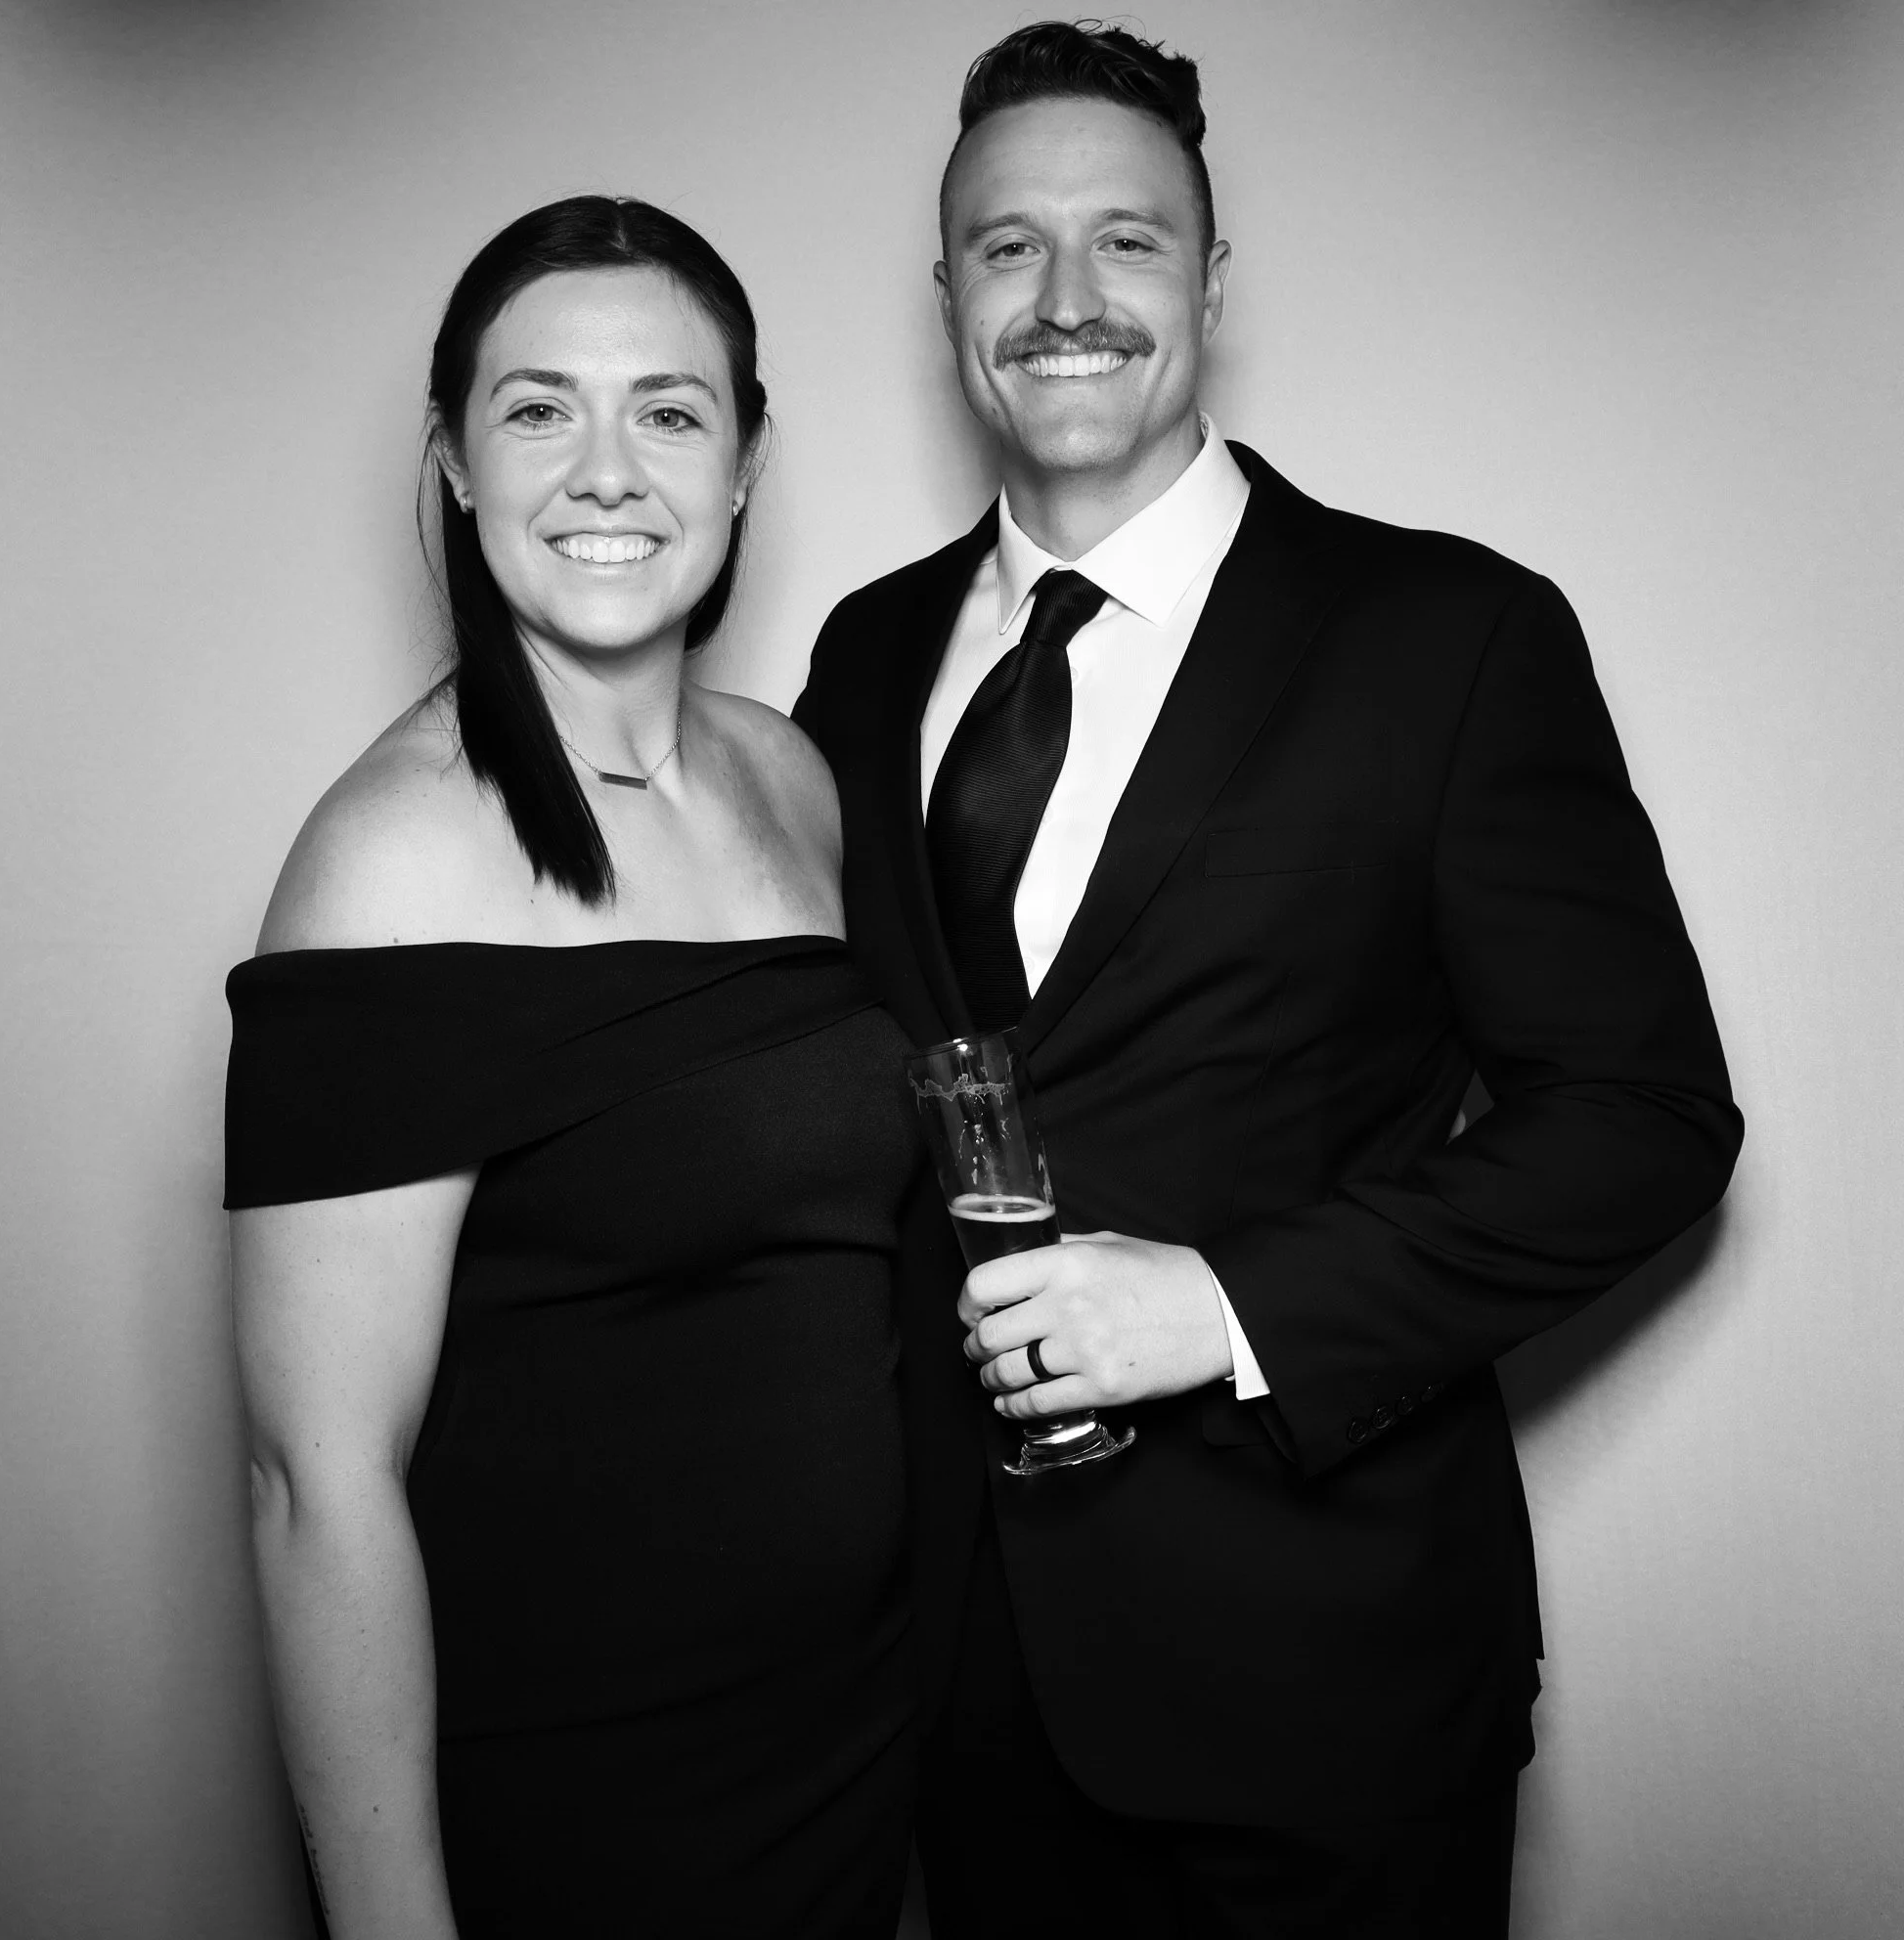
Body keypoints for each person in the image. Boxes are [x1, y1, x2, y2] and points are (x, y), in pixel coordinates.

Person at [794, 22, 1743, 1938]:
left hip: (1331, 1693)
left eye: (1125, 243)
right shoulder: (858, 655)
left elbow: (1642, 1122)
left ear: (1209, 283)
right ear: (945, 293)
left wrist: (1225, 1305)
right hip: (955, 1692)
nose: (1065, 301)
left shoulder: (1447, 637)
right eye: (1007, 248)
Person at [226, 196, 917, 1939]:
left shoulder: (797, 780)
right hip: (581, 1800)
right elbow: (320, 1481)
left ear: (748, 461)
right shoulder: (390, 860)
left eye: (670, 412)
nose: (607, 472)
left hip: (846, 1763)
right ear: (455, 460)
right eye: (538, 409)